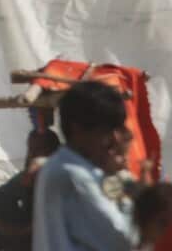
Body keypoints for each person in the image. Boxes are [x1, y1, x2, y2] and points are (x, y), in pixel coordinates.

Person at [31, 81, 135, 251]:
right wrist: (120, 178)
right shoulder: (75, 175)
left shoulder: (61, 166)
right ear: (78, 129)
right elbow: (123, 240)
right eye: (106, 132)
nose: (113, 140)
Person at [0, 131, 60, 251]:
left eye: (38, 150)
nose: (31, 154)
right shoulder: (27, 176)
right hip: (30, 232)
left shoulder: (63, 176)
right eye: (30, 149)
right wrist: (3, 225)